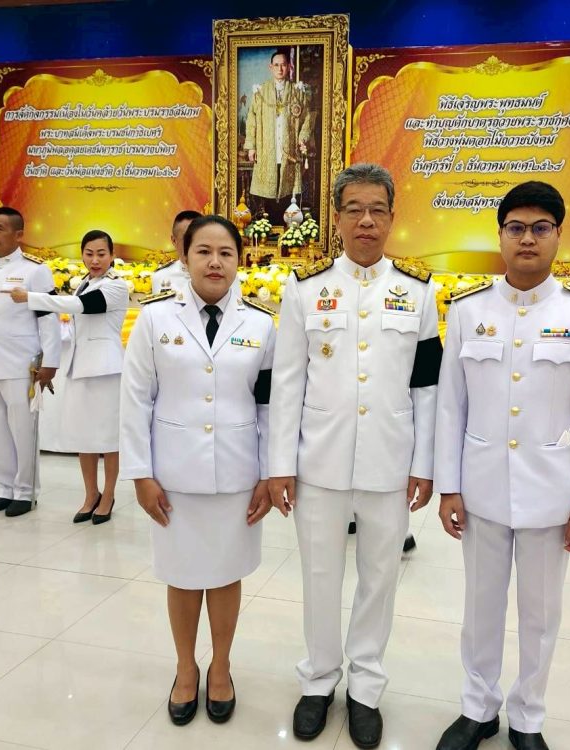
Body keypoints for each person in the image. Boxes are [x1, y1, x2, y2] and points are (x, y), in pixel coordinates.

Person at [433, 182, 570, 750]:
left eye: (540, 228)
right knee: (480, 608)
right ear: (501, 236)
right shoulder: (468, 311)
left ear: (558, 236)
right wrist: (448, 486)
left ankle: (528, 716)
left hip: (551, 493)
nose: (527, 239)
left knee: (540, 614)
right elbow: (450, 405)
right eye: (516, 228)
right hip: (481, 487)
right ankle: (477, 708)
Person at [268, 163, 441, 749]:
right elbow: (287, 381)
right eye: (354, 210)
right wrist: (280, 464)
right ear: (337, 218)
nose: (366, 220)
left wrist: (424, 464)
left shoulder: (419, 292)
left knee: (379, 578)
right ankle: (319, 680)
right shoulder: (304, 288)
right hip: (319, 460)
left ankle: (365, 686)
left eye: (377, 210)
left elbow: (427, 387)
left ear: (392, 218)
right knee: (320, 576)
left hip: (390, 461)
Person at [120, 215, 274, 727]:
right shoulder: (154, 319)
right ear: (184, 257)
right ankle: (186, 667)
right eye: (203, 251)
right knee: (183, 576)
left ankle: (221, 665)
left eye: (225, 253)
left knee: (226, 574)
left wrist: (269, 474)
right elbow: (135, 400)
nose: (214, 262)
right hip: (174, 475)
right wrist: (140, 472)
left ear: (239, 261)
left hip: (237, 475)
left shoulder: (260, 324)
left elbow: (269, 406)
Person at [8, 230, 128, 523]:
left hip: (106, 369)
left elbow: (81, 306)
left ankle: (108, 495)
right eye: (89, 254)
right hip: (80, 366)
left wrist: (31, 297)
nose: (95, 260)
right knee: (82, 436)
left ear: (112, 255)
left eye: (101, 254)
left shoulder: (116, 285)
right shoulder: (84, 283)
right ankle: (91, 494)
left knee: (109, 438)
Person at [0, 208, 60, 518]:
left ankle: (25, 492)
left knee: (23, 429)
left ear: (19, 234)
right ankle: (4, 489)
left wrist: (50, 361)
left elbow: (48, 318)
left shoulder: (35, 270)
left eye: (0, 229)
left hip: (21, 362)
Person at [243, 48, 312, 221]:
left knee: (289, 193)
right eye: (276, 65)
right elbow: (251, 120)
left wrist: (302, 139)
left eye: (283, 65)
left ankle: (289, 228)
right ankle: (270, 226)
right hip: (267, 149)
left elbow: (307, 118)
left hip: (289, 150)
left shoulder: (297, 92)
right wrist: (251, 147)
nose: (280, 69)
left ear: (289, 67)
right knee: (269, 193)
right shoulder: (260, 92)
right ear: (271, 67)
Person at [150, 210, 202, 294]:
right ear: (174, 241)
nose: (194, 244)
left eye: (199, 237)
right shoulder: (161, 277)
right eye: (187, 239)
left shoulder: (219, 276)